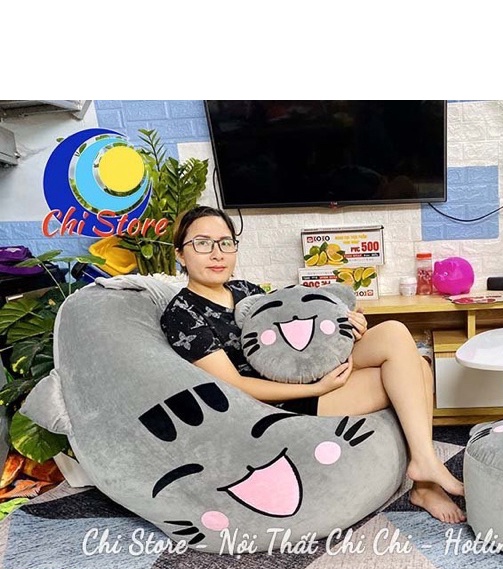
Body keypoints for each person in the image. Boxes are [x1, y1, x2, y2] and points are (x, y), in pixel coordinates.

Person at [160, 206, 465, 524]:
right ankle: (425, 482)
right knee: (417, 370)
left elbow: (298, 330)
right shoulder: (182, 314)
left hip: (305, 369)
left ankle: (424, 465)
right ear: (180, 253)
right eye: (202, 243)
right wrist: (315, 388)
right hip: (276, 402)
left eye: (225, 242)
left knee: (395, 334)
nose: (217, 253)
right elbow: (233, 385)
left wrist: (350, 325)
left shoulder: (245, 291)